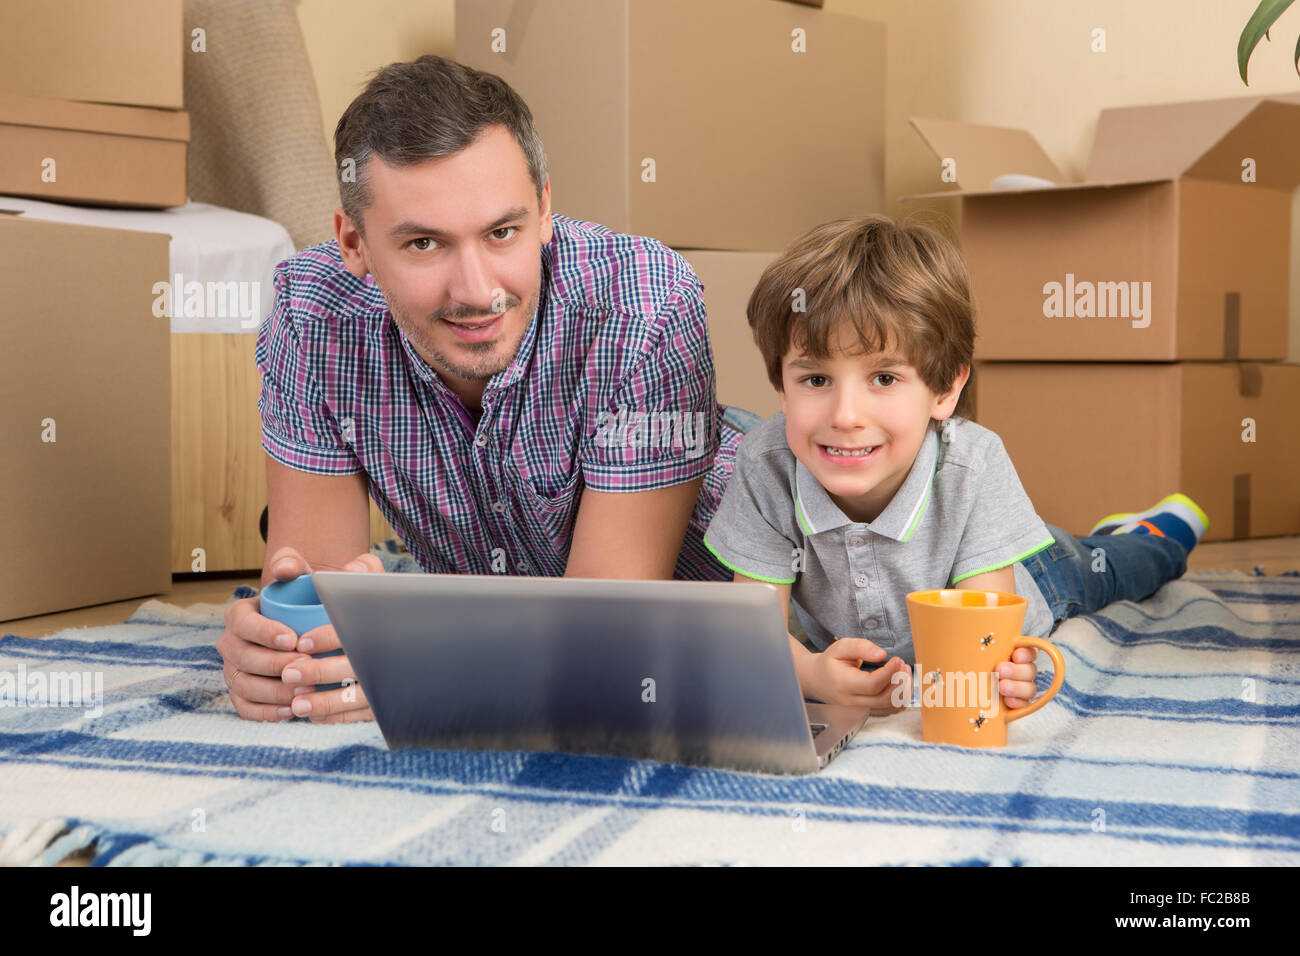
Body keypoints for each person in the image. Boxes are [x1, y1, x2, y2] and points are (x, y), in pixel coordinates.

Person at [217, 55, 755, 723]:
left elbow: (608, 637)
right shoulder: (313, 317)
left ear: (545, 209)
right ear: (354, 242)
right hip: (516, 623)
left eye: (503, 233)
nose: (477, 292)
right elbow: (320, 603)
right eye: (424, 244)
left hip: (740, 613)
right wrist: (280, 657)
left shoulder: (643, 307)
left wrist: (413, 655)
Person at [702, 214, 1206, 715]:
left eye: (883, 378)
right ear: (780, 389)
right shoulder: (765, 464)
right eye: (815, 380)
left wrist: (1001, 674)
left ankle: (1154, 534)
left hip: (1041, 575)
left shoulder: (974, 463)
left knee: (1111, 567)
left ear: (945, 389)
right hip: (976, 552)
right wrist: (812, 675)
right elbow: (754, 632)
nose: (846, 416)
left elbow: (984, 650)